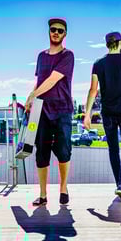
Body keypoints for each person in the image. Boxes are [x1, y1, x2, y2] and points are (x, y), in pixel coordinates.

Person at [25, 18, 75, 206]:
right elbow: (39, 81)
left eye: (60, 31)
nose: (56, 33)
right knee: (41, 153)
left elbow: (53, 80)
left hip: (62, 110)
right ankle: (43, 195)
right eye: (53, 29)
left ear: (65, 34)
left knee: (64, 151)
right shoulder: (41, 56)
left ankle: (63, 188)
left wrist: (32, 95)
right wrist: (30, 100)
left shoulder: (67, 55)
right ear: (48, 31)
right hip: (42, 111)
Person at [83, 31, 121, 201]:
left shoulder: (98, 64)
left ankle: (120, 185)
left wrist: (87, 114)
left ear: (107, 44)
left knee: (113, 150)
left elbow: (93, 90)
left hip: (107, 113)